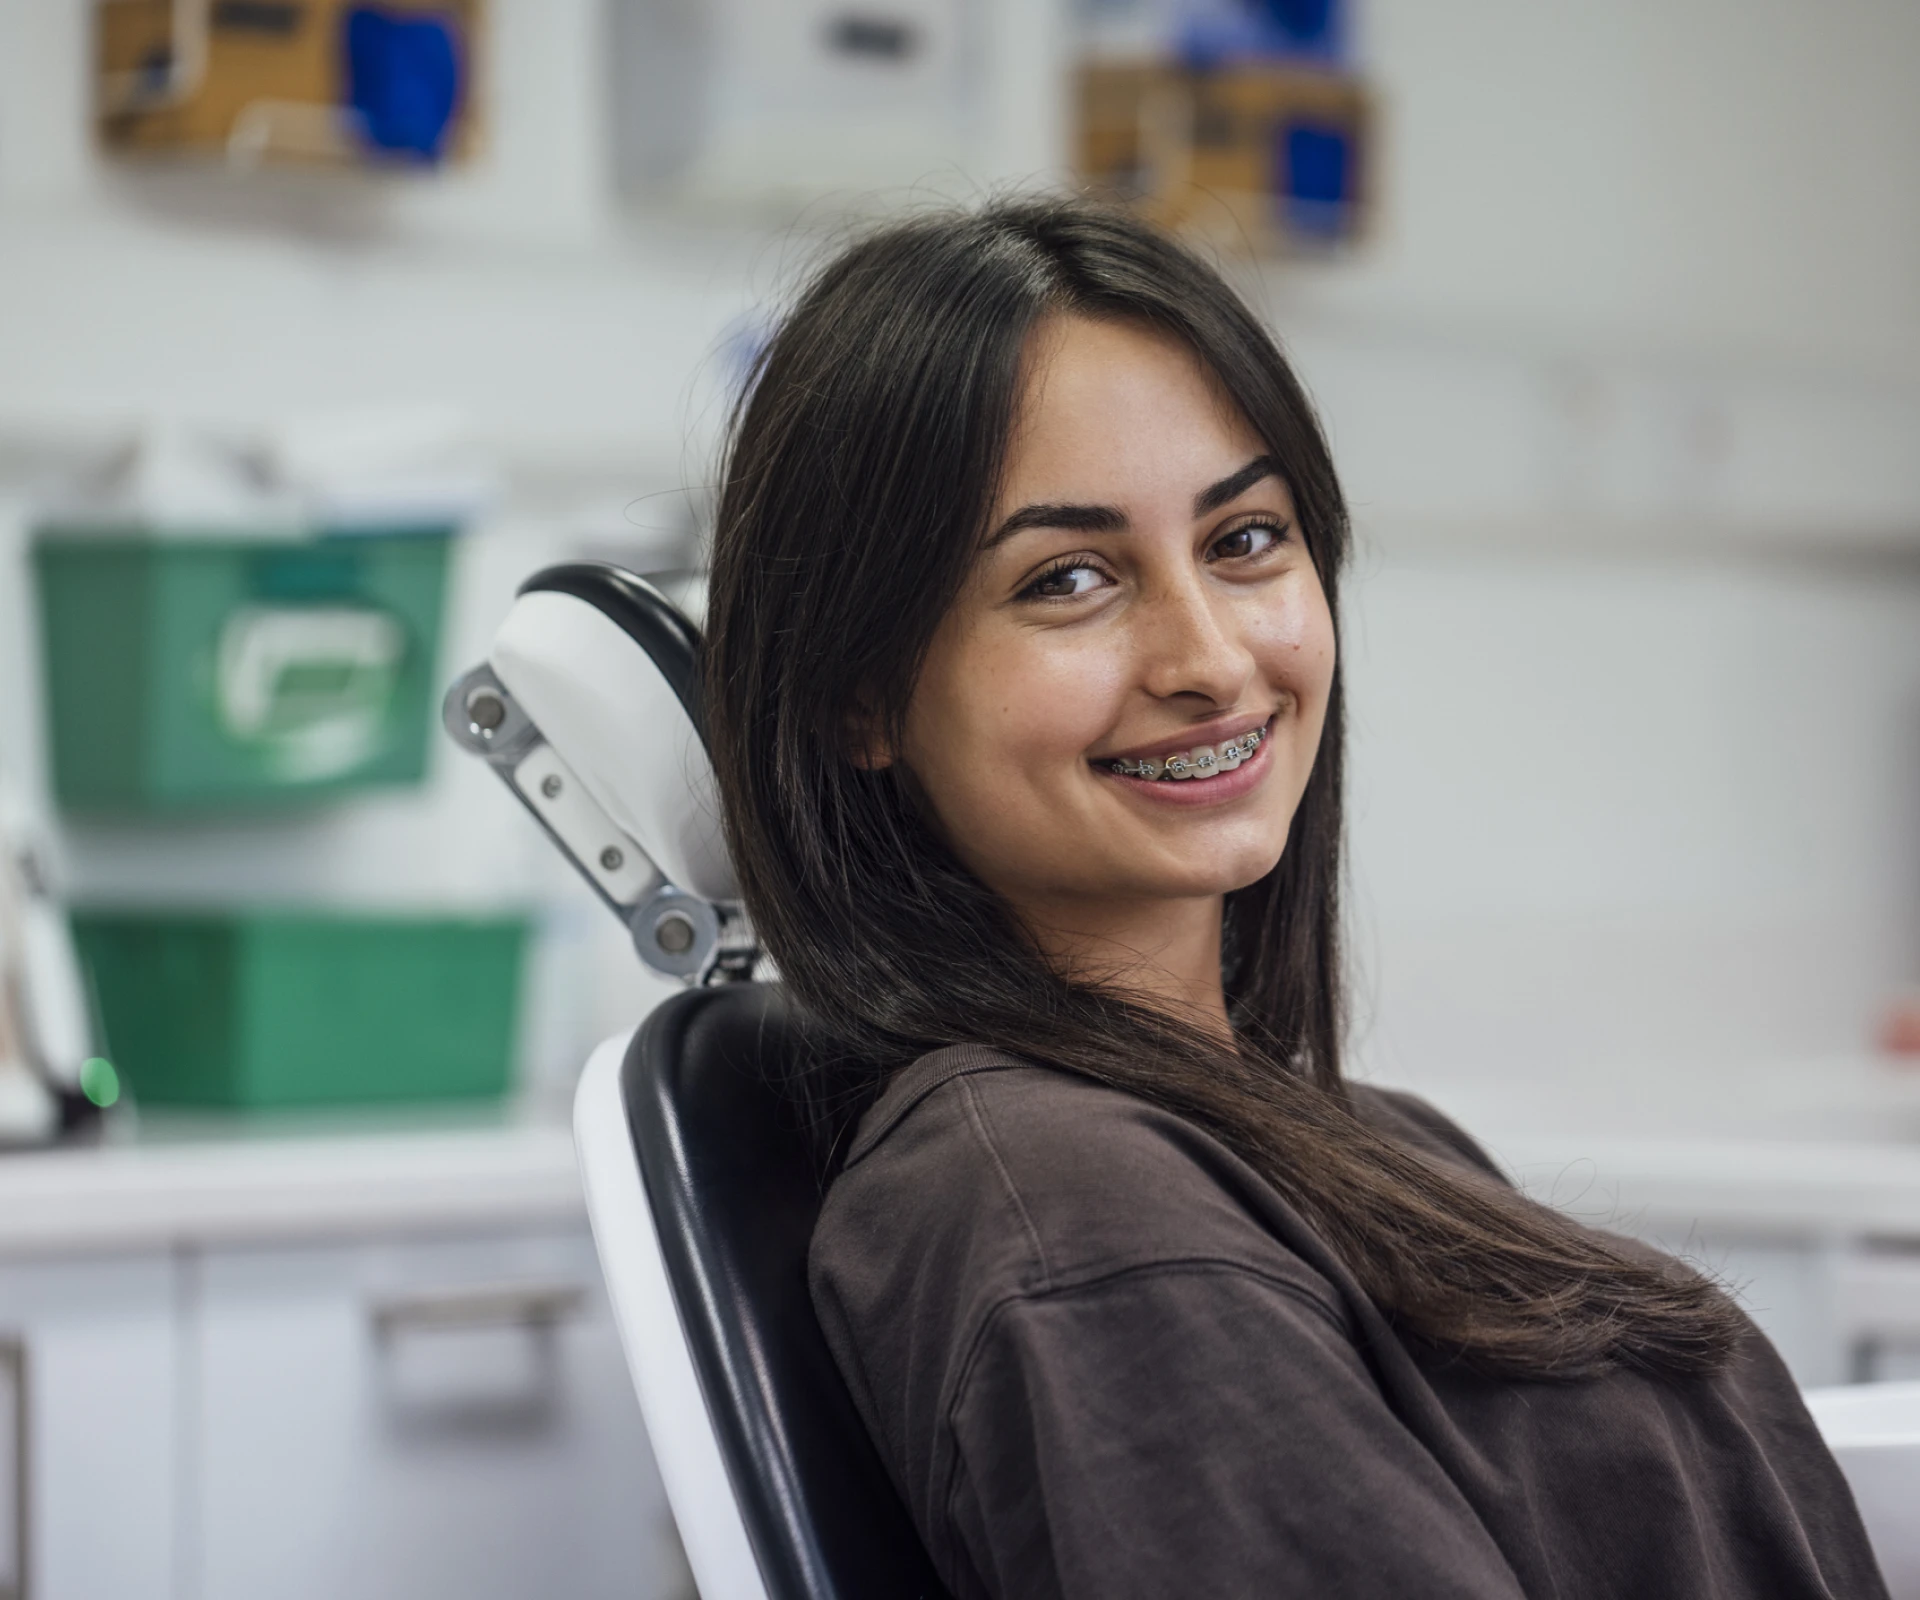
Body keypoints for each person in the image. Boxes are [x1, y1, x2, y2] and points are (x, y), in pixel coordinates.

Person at [701, 198, 1885, 1600]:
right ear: (860, 700)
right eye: (1070, 578)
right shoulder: (1075, 1217)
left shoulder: (1342, 1140)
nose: (1209, 656)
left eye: (1246, 540)